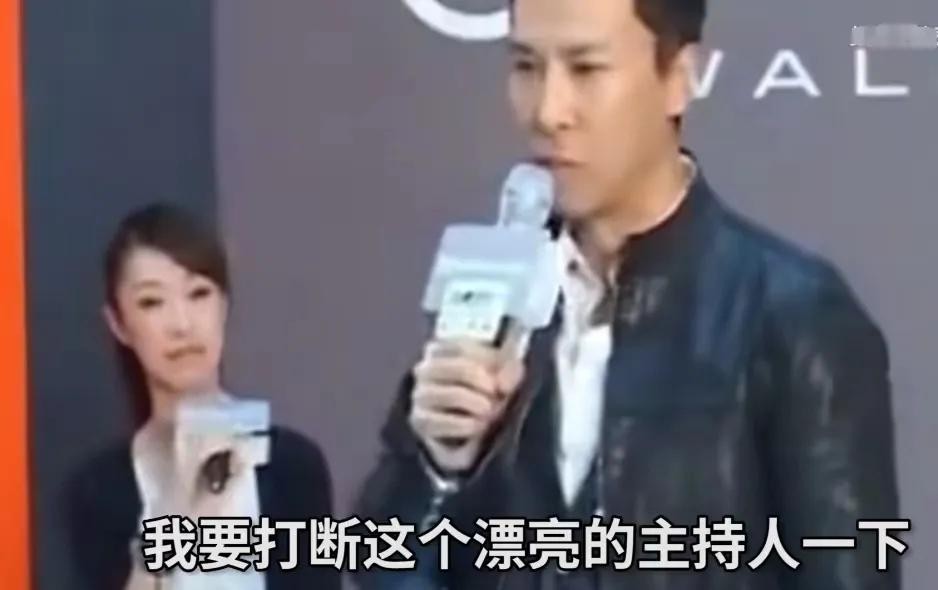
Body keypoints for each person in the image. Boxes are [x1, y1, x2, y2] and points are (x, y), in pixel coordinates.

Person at [355, 0, 901, 589]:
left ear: (680, 77)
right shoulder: (492, 297)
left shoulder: (793, 316)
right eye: (526, 66)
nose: (548, 111)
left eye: (586, 69)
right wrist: (433, 470)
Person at [66, 203, 340, 589]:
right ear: (119, 324)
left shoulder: (292, 467)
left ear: (223, 305)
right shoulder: (98, 490)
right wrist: (174, 509)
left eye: (199, 294)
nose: (182, 324)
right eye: (151, 302)